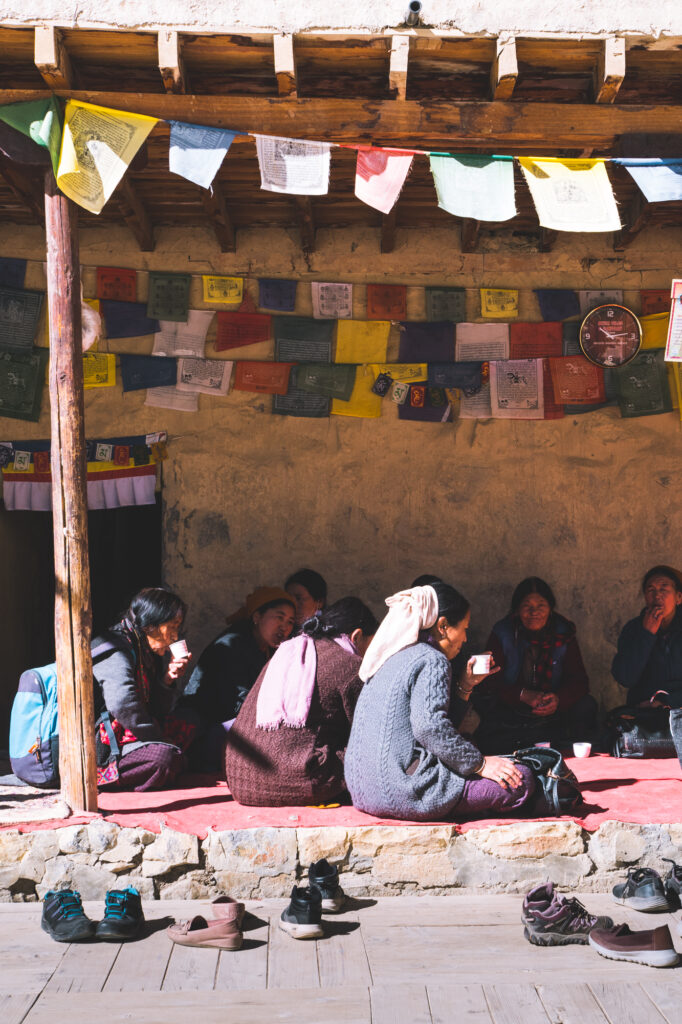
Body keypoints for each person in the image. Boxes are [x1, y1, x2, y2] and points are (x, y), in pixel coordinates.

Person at [344, 583, 535, 822]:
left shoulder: (389, 657)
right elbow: (430, 728)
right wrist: (481, 765)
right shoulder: (432, 659)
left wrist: (465, 685)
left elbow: (432, 726)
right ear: (443, 626)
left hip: (364, 794)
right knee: (522, 779)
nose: (465, 638)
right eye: (464, 629)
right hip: (405, 792)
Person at [225, 597, 378, 806]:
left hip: (239, 780)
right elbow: (365, 731)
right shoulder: (349, 664)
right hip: (296, 780)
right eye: (371, 645)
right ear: (357, 636)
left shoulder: (286, 650)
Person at [474, 577, 597, 752]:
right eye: (527, 606)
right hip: (513, 708)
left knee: (586, 705)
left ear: (550, 608)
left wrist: (558, 699)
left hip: (552, 710)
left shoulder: (564, 632)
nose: (534, 612)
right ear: (517, 609)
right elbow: (488, 683)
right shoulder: (503, 632)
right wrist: (522, 695)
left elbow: (579, 681)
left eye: (541, 605)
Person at [180, 587, 296, 771]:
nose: (285, 627)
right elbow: (238, 705)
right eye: (279, 617)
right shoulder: (231, 646)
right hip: (206, 731)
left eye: (290, 621)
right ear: (257, 617)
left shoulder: (271, 649)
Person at [92, 587, 193, 791]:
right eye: (172, 626)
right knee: (163, 758)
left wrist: (168, 678)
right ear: (150, 624)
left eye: (178, 627)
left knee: (192, 721)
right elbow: (122, 704)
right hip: (105, 744)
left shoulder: (143, 651)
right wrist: (159, 738)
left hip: (134, 733)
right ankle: (104, 776)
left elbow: (156, 710)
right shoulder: (115, 648)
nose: (175, 636)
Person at [612, 566, 682, 707]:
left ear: (678, 598)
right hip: (645, 708)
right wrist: (646, 634)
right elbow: (625, 678)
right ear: (645, 597)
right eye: (651, 590)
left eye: (664, 589)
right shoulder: (633, 628)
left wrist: (667, 702)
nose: (657, 596)